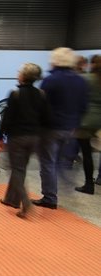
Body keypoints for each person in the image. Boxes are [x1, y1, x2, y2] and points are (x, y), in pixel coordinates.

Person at [33, 47, 88, 209]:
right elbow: (83, 106)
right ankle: (65, 187)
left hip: (50, 128)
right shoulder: (80, 80)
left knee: (47, 162)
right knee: (61, 162)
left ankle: (50, 197)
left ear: (56, 60)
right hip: (70, 128)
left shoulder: (51, 80)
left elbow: (41, 105)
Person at [0, 63, 50, 218]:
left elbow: (7, 118)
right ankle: (11, 199)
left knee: (15, 169)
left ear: (23, 76)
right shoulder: (41, 94)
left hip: (17, 137)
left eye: (19, 71)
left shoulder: (15, 94)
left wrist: (1, 137)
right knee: (21, 169)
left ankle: (25, 204)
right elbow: (46, 118)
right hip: (34, 137)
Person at [74, 54, 101, 194]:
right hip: (99, 121)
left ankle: (89, 184)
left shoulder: (85, 79)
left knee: (87, 153)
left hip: (85, 121)